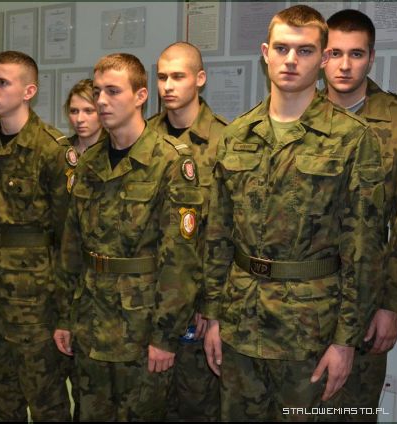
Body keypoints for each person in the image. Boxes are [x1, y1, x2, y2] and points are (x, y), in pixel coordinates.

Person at [202, 5, 386, 421]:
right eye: (282, 48)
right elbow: (217, 236)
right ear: (265, 53)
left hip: (311, 332)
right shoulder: (236, 136)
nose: (290, 60)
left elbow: (364, 249)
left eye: (304, 51)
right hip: (241, 322)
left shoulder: (353, 139)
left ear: (322, 58)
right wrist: (212, 316)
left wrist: (345, 341)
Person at [53, 52, 203, 421]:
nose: (101, 101)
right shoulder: (88, 163)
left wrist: (164, 336)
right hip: (90, 320)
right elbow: (71, 248)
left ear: (140, 96)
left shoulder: (170, 162)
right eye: (97, 91)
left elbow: (180, 261)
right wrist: (64, 316)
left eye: (113, 91)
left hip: (141, 328)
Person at [323, 9, 397, 421]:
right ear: (322, 57)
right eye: (335, 53)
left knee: (351, 410)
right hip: (296, 300)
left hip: (366, 298)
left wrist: (392, 305)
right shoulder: (297, 115)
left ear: (371, 58)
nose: (344, 65)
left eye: (356, 54)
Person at [0, 50, 73, 422]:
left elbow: (68, 238)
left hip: (36, 299)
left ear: (29, 91)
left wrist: (65, 312)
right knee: (3, 393)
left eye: (3, 83)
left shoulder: (52, 150)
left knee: (45, 397)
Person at [148, 41, 227, 422]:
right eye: (162, 77)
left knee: (198, 406)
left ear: (200, 79)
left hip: (199, 304)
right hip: (149, 300)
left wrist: (210, 306)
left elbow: (225, 231)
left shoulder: (225, 141)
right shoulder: (144, 138)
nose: (168, 86)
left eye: (178, 76)